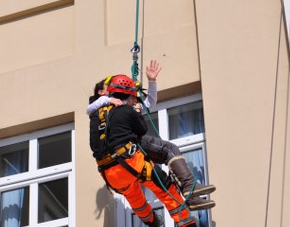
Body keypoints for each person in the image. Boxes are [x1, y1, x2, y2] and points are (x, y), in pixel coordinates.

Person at [89, 74, 210, 227]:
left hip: (110, 174)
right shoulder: (127, 110)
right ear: (128, 95)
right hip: (132, 163)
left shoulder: (95, 116)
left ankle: (152, 222)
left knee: (135, 196)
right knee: (168, 191)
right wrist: (136, 113)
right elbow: (141, 130)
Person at [87, 60, 216, 210]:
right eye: (106, 87)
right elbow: (92, 107)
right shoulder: (102, 105)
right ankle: (189, 188)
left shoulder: (118, 106)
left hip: (119, 154)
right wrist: (115, 101)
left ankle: (189, 196)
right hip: (128, 145)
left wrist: (151, 81)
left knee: (164, 168)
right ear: (101, 93)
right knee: (169, 149)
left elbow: (149, 103)